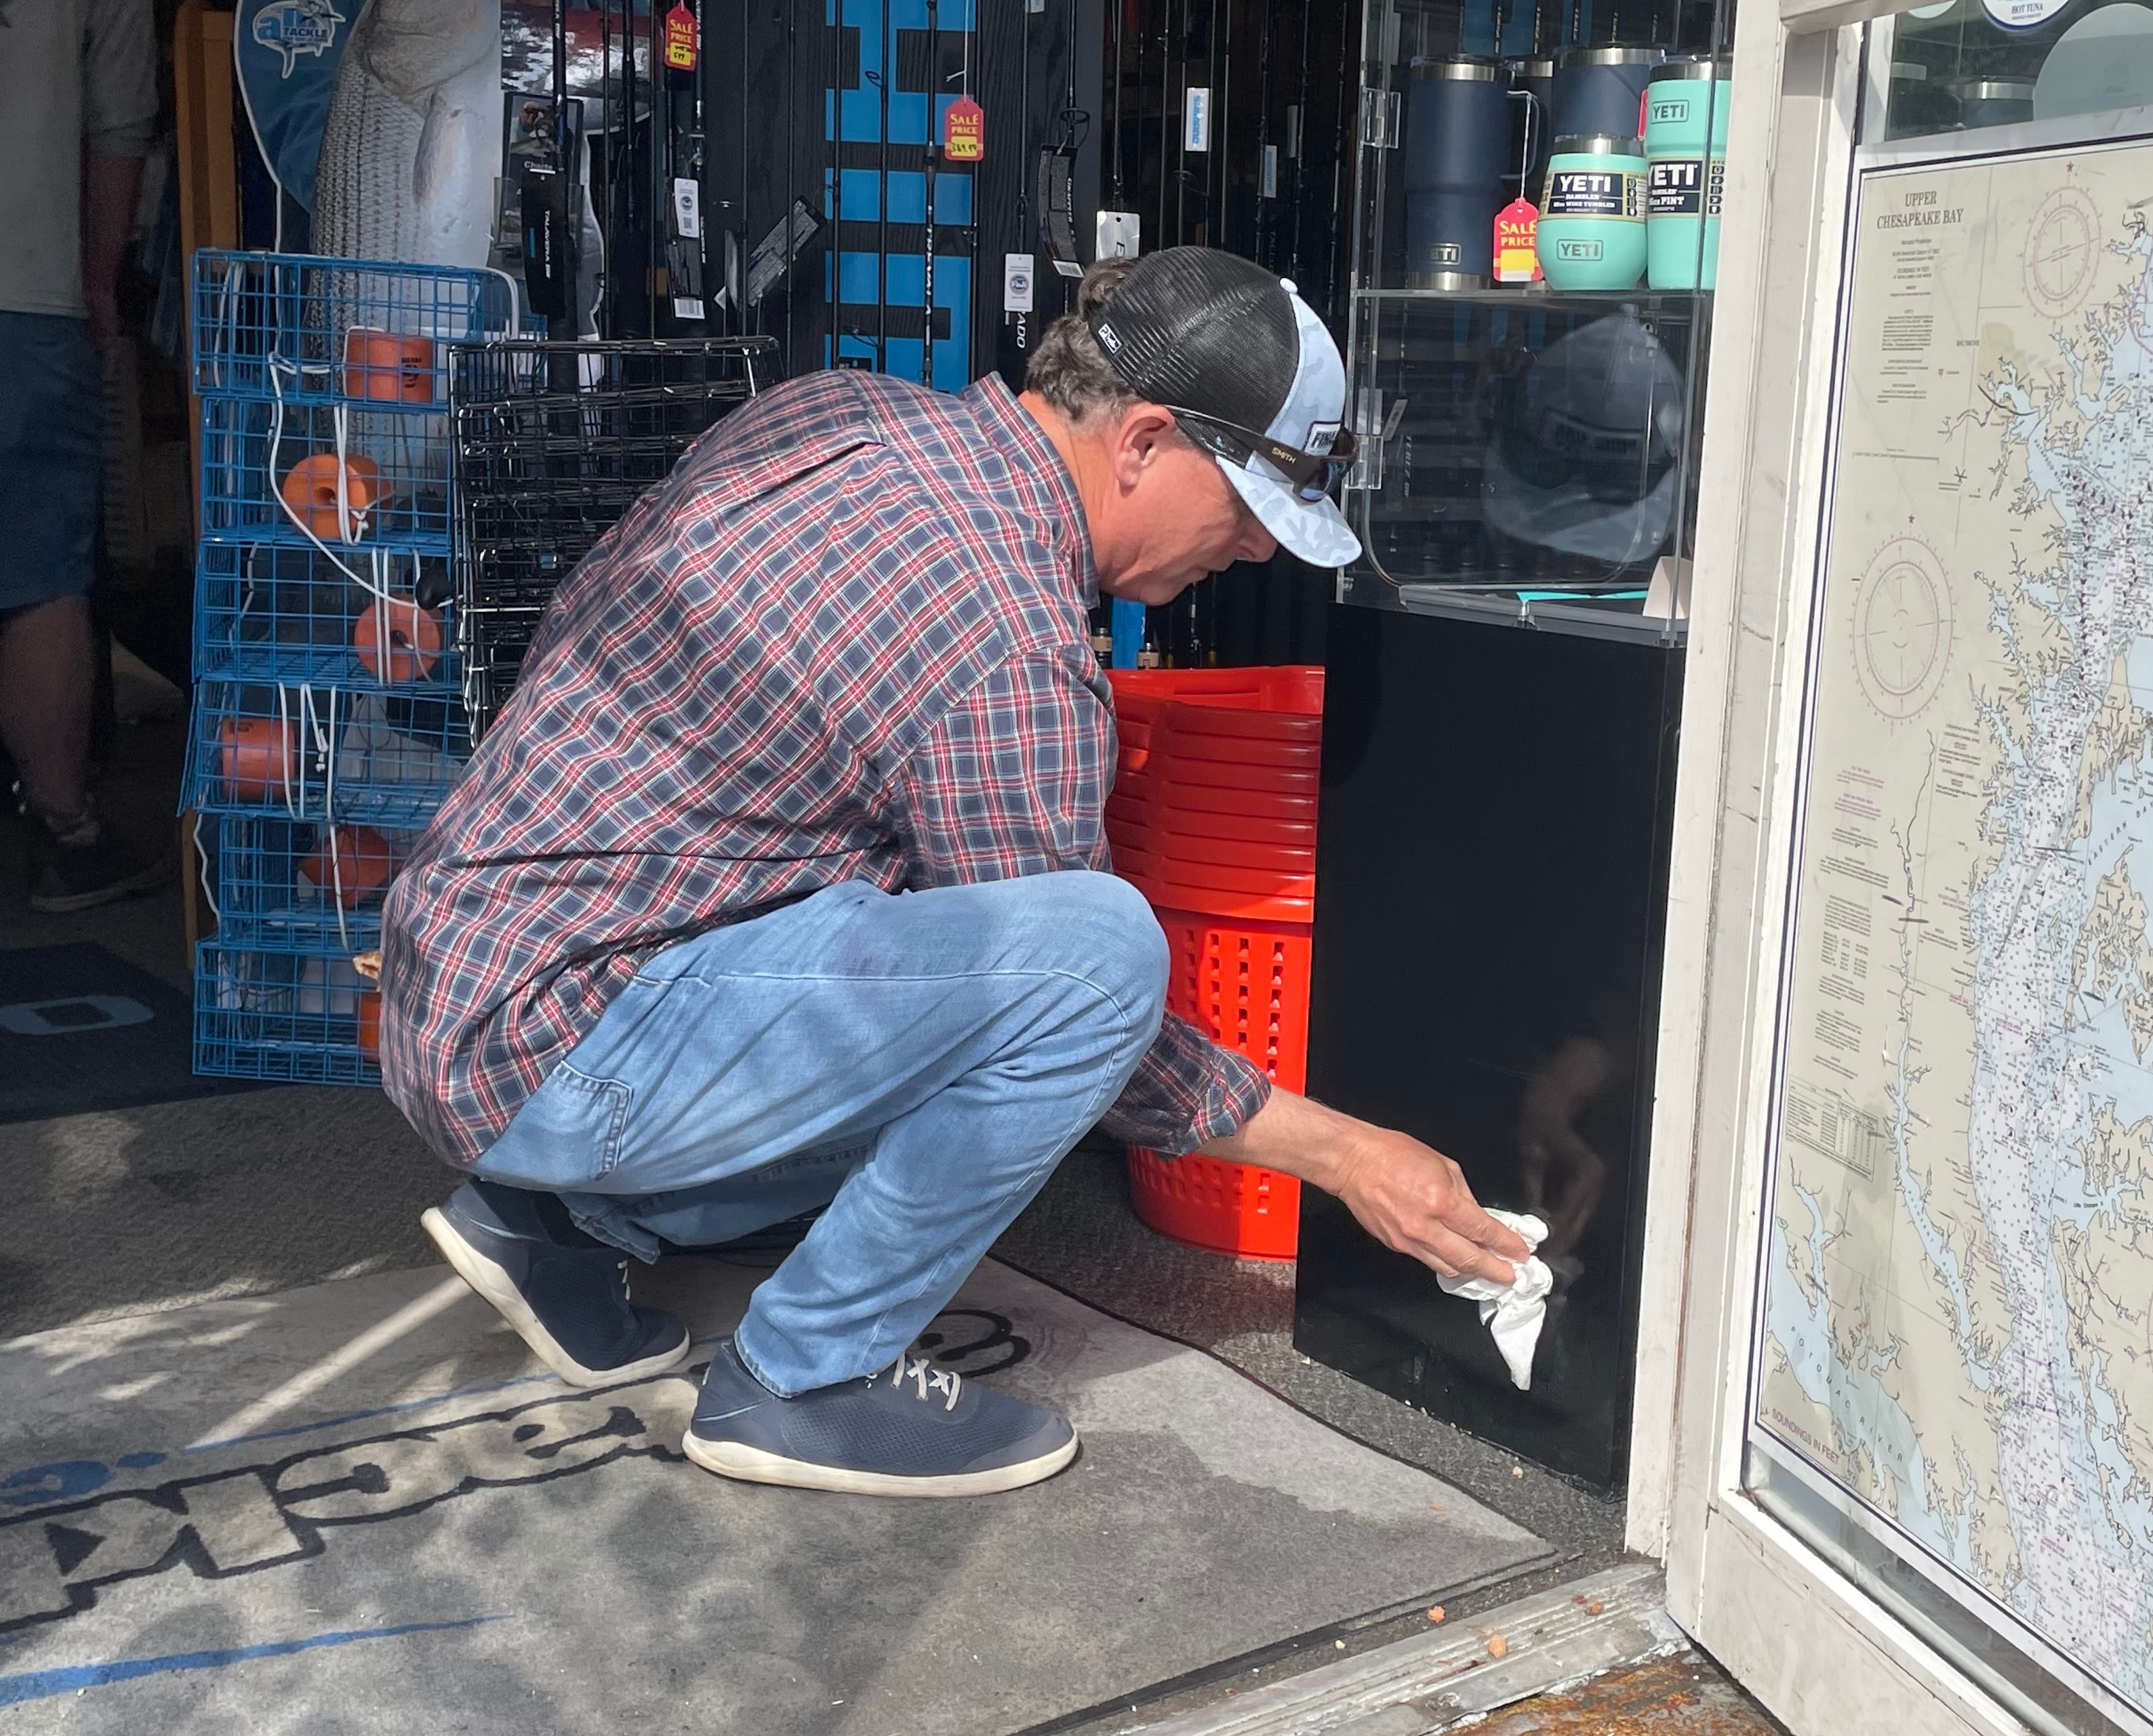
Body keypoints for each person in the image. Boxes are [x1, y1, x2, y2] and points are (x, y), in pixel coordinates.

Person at [380, 248, 1529, 1499]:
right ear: (1141, 441)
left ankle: (552, 1221)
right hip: (565, 1048)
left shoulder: (844, 411)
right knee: (1099, 957)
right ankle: (803, 1382)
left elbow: (596, 609)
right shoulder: (1008, 646)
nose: (1254, 552)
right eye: (1251, 507)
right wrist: (1351, 1154)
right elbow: (1088, 1018)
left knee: (930, 970)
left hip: (459, 971)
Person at [1, 0, 174, 911]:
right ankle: (66, 832)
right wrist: (99, 286)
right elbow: (118, 127)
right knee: (38, 580)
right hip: (24, 293)